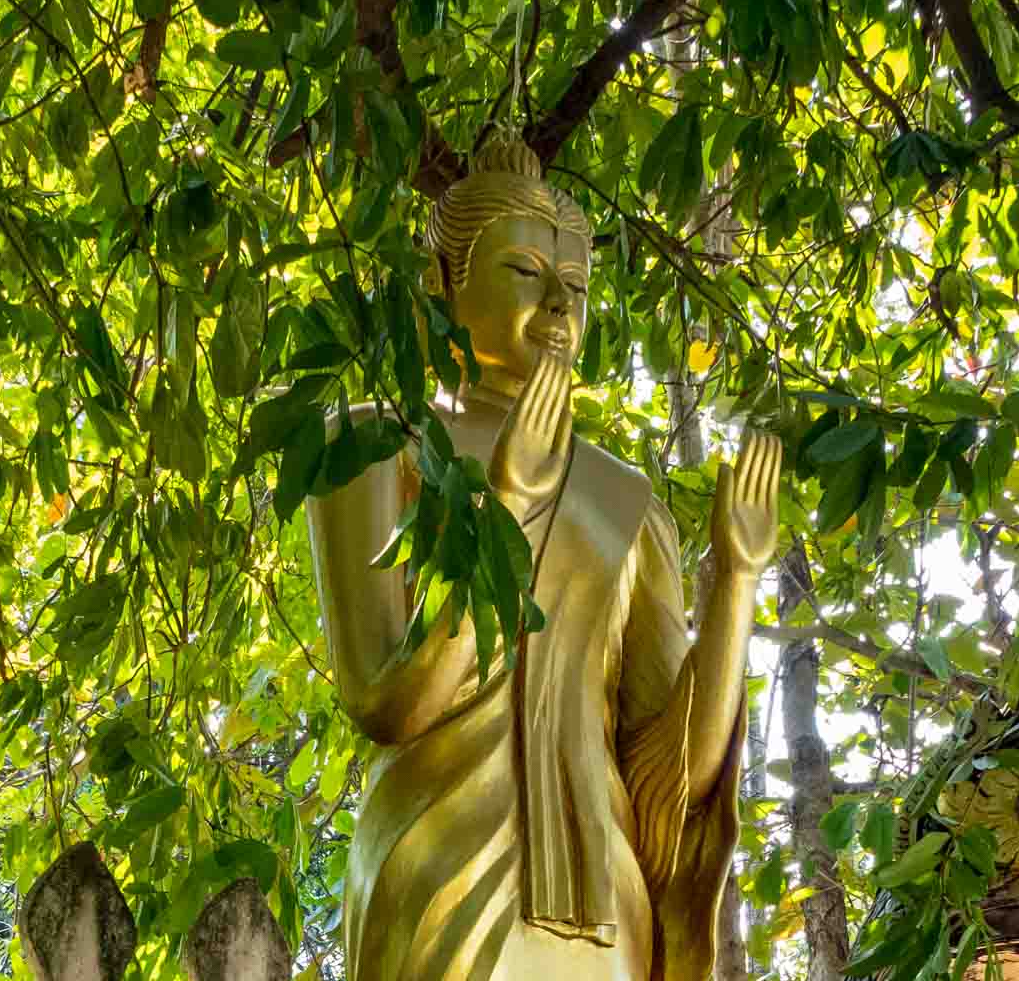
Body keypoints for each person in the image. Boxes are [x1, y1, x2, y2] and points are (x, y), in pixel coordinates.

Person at [305, 132, 779, 981]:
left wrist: (736, 584)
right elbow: (385, 701)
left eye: (577, 286)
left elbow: (670, 774)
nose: (559, 304)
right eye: (524, 271)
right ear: (440, 283)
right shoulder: (377, 442)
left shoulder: (626, 502)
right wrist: (510, 508)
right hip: (438, 860)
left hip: (601, 896)